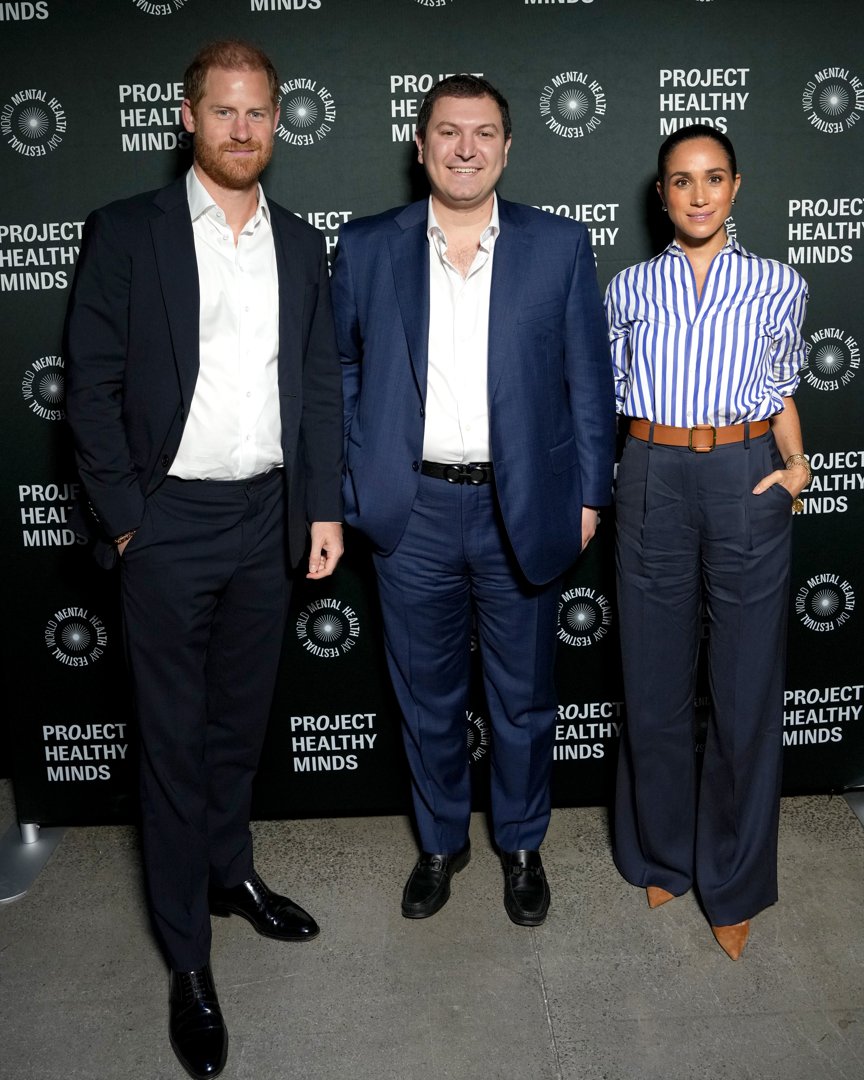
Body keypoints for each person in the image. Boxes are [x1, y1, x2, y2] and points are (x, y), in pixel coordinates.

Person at [65, 40, 343, 1079]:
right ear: (188, 118)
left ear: (278, 120)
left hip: (268, 518)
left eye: (258, 113)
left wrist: (318, 508)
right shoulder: (127, 233)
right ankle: (188, 955)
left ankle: (233, 876)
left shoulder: (304, 243)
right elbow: (87, 389)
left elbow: (317, 386)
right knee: (174, 743)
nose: (242, 129)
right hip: (168, 522)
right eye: (223, 111)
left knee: (237, 727)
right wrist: (132, 520)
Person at [330, 75, 615, 927]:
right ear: (419, 145)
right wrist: (357, 473)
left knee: (523, 694)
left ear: (506, 146)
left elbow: (588, 386)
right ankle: (439, 841)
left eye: (483, 133)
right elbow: (339, 370)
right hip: (409, 510)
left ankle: (521, 843)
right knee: (425, 696)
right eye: (448, 132)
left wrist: (589, 496)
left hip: (520, 507)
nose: (465, 148)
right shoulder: (369, 246)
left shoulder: (558, 247)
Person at [605, 124, 809, 961]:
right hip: (650, 469)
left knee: (745, 685)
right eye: (681, 181)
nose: (697, 194)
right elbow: (605, 396)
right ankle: (662, 852)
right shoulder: (626, 289)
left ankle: (732, 878)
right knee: (651, 681)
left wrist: (796, 465)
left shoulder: (778, 284)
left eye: (713, 178)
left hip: (743, 472)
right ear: (661, 195)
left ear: (735, 187)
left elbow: (783, 386)